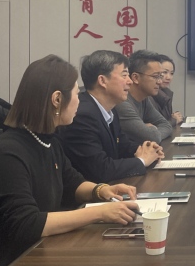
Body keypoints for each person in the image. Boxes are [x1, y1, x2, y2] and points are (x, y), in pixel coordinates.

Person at [0, 55, 139, 266]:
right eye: (76, 94)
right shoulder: (8, 152)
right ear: (57, 99)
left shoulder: (47, 140)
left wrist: (101, 191)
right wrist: (99, 213)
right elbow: (27, 224)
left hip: (31, 258)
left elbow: (72, 183)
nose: (80, 101)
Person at [60, 50, 163, 183]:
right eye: (124, 75)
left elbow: (122, 144)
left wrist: (148, 149)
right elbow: (100, 170)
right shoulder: (83, 115)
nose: (130, 81)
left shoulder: (110, 108)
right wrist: (142, 160)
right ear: (102, 81)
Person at [115, 50, 174, 144]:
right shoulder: (122, 102)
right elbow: (151, 137)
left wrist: (152, 130)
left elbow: (166, 126)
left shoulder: (144, 99)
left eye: (160, 76)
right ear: (135, 78)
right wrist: (152, 131)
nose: (159, 82)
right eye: (155, 76)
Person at [150, 54, 183, 126]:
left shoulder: (166, 94)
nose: (169, 77)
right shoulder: (148, 95)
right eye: (165, 72)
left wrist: (173, 117)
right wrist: (174, 120)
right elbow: (156, 126)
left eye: (171, 73)